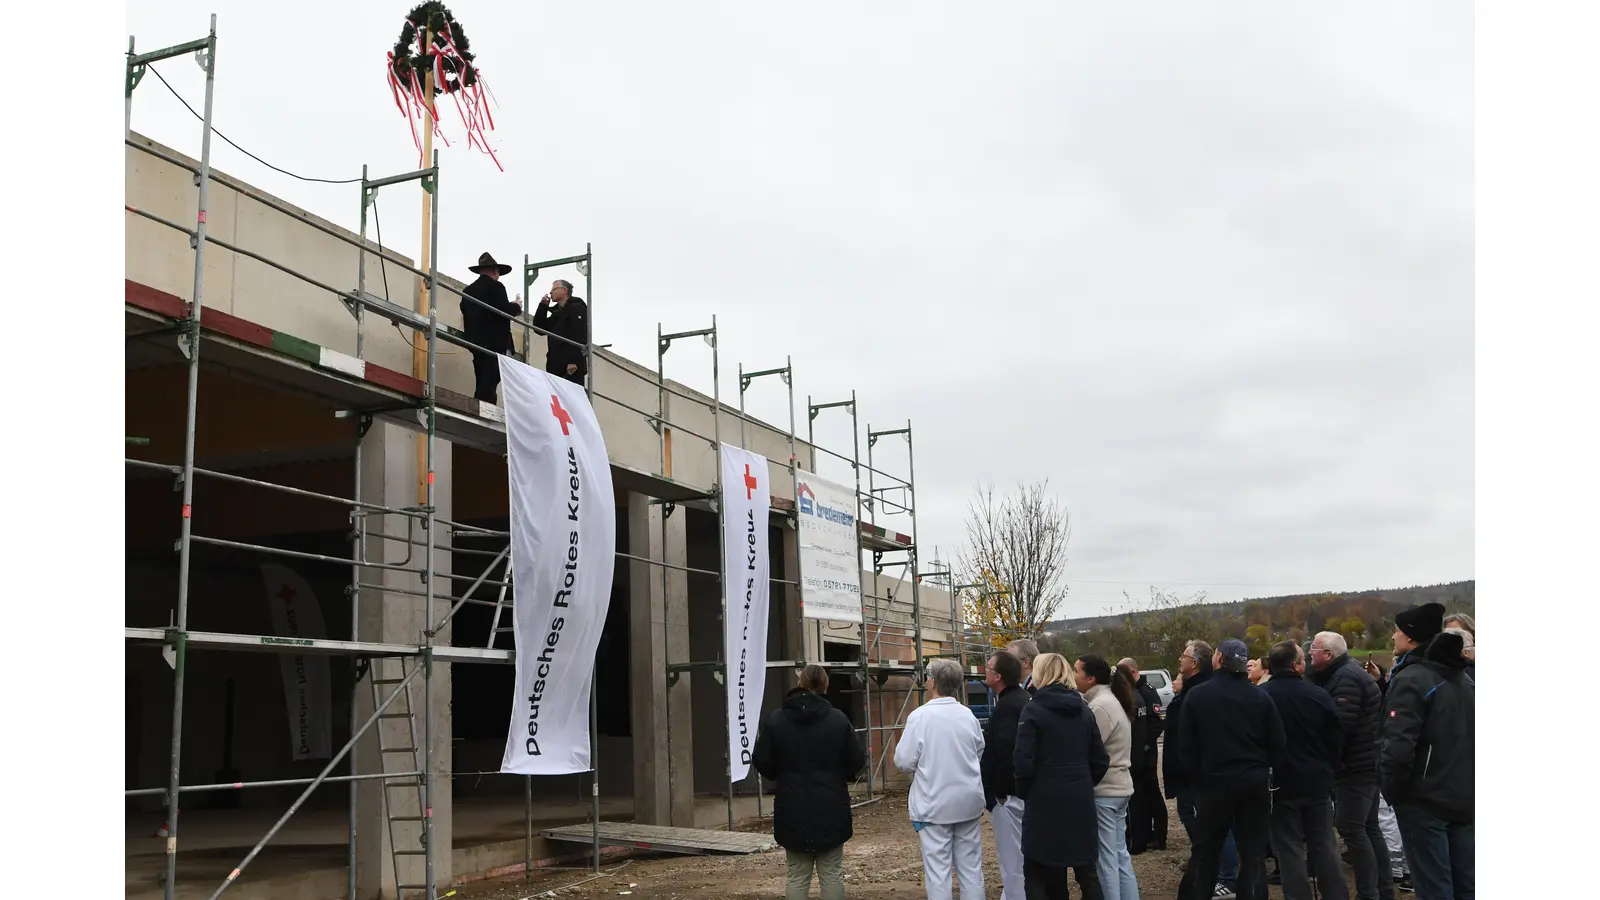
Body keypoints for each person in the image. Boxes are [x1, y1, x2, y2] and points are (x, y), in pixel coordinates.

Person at [1177, 639, 1284, 900]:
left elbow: (1186, 746)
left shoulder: (1198, 695)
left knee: (1206, 851)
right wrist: (1263, 770)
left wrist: (1197, 779)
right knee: (1252, 854)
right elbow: (1278, 744)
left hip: (1213, 784)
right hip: (1253, 783)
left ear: (1220, 659)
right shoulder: (1260, 697)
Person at [752, 664, 867, 900]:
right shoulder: (838, 719)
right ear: (825, 685)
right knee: (832, 874)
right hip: (831, 805)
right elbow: (857, 759)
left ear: (800, 683)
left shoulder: (777, 719)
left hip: (791, 805)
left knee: (797, 875)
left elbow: (762, 760)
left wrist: (781, 775)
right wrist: (838, 775)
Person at [1380, 629, 1474, 900]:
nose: (1393, 636)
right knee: (1466, 883)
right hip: (1462, 796)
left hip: (1425, 801)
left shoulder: (1414, 680)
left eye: (1398, 630)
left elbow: (1398, 747)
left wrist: (1393, 790)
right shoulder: (1467, 682)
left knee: (1435, 886)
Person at [1309, 630, 1396, 900]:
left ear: (1328, 654)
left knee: (1351, 827)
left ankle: (1369, 894)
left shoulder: (1346, 677)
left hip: (1356, 766)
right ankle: (1383, 891)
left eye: (1314, 649)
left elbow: (1340, 726)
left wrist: (1326, 760)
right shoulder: (1345, 672)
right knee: (1368, 827)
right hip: (1367, 761)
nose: (1310, 652)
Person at [1014, 653, 1108, 900]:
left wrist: (1027, 792)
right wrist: (1082, 782)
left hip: (1043, 802)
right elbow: (1100, 760)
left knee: (1038, 871)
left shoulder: (1033, 710)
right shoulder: (1084, 710)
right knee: (1086, 872)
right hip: (1079, 800)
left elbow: (1023, 762)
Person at [1259, 641, 1349, 900]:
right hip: (1317, 781)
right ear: (1297, 665)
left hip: (1280, 783)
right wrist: (1330, 769)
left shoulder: (1261, 697)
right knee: (1324, 845)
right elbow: (1336, 738)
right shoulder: (1318, 695)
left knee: (1289, 849)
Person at [895, 658, 987, 900]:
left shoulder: (920, 717)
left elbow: (903, 761)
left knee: (938, 873)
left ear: (933, 682)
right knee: (971, 869)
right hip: (967, 802)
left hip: (933, 804)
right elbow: (979, 750)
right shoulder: (968, 715)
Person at [1164, 640, 1239, 900]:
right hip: (1191, 774)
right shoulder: (1192, 689)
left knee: (1213, 825)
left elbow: (1198, 737)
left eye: (1183, 656)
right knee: (1201, 822)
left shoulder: (1201, 691)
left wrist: (1192, 769)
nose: (1180, 660)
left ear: (1194, 663)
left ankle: (1226, 875)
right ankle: (1206, 865)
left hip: (1198, 775)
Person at [1075, 655, 1141, 900]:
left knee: (1106, 859)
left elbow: (1090, 749)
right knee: (1119, 854)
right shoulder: (1110, 700)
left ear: (1091, 678)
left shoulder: (1099, 707)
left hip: (1106, 791)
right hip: (1119, 788)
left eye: (1076, 671)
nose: (1073, 676)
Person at [982, 650, 1032, 900]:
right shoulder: (1023, 699)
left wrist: (997, 794)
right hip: (1022, 792)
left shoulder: (1007, 707)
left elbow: (1004, 752)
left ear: (998, 676)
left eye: (989, 668)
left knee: (1013, 860)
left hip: (1010, 797)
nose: (985, 671)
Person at [1118, 658, 1167, 853]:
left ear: (1132, 671)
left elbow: (1157, 722)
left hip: (1146, 753)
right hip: (1138, 752)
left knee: (1153, 794)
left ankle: (1160, 835)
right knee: (1141, 796)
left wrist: (1144, 745)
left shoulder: (1146, 691)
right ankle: (1145, 833)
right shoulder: (1134, 691)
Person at [460, 252, 523, 403]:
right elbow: (503, 311)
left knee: (482, 377)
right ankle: (485, 407)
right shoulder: (496, 287)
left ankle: (481, 404)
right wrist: (516, 306)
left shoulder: (468, 291)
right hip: (494, 342)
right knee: (490, 381)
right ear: (495, 271)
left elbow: (464, 310)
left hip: (475, 341)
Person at [530, 278, 589, 386]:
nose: (551, 292)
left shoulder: (577, 307)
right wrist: (543, 306)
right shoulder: (557, 313)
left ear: (565, 290)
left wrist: (573, 360)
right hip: (555, 364)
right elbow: (539, 329)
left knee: (570, 393)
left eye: (554, 289)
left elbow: (579, 333)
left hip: (571, 366)